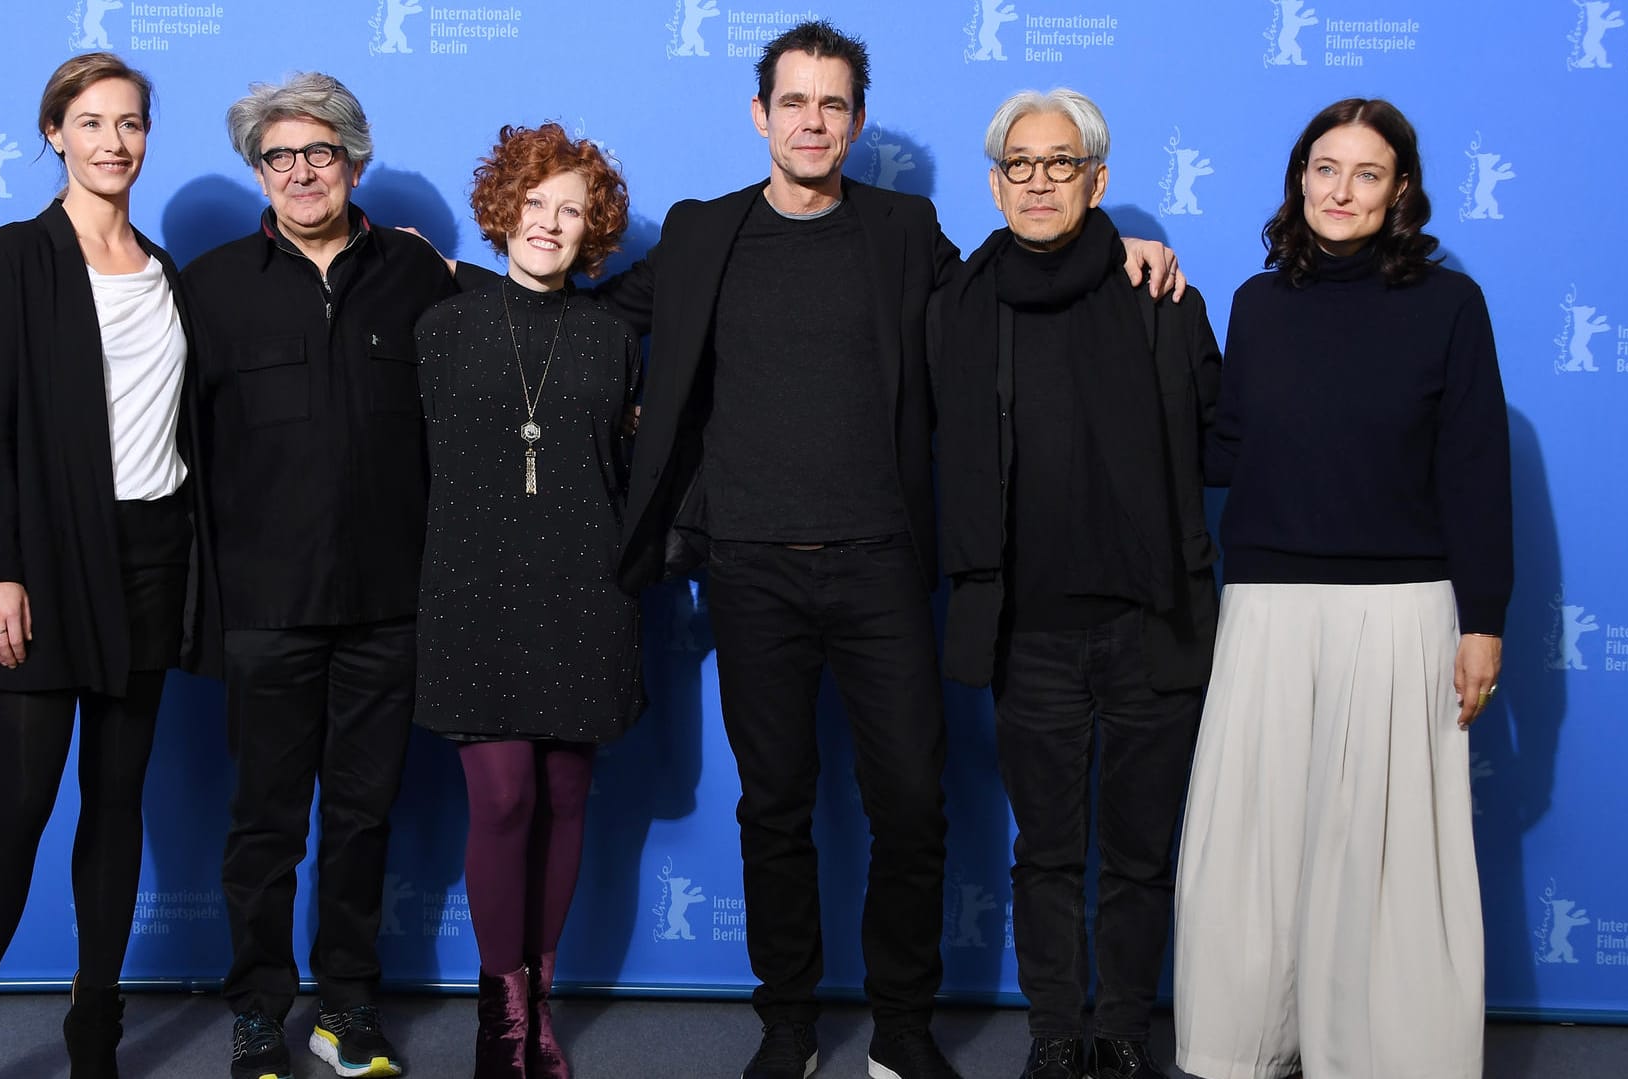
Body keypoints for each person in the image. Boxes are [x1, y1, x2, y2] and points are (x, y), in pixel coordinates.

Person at [589, 20, 1180, 1079]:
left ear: (853, 122)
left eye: (832, 104)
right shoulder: (699, 233)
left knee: (909, 800)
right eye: (793, 101)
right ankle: (786, 1022)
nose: (811, 120)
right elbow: (582, 322)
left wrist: (1120, 248)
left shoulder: (906, 231)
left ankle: (902, 1025)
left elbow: (1009, 289)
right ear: (759, 113)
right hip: (749, 568)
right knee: (772, 805)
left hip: (880, 565)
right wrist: (443, 268)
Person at [1171, 98, 1510, 1079]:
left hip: (1402, 606)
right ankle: (1243, 1044)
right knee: (1255, 842)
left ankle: (1389, 1053)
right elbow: (1222, 444)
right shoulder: (1254, 302)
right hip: (1267, 603)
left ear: (1399, 189)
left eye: (1366, 173)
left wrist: (1480, 620)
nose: (1340, 190)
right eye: (1324, 168)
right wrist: (1130, 338)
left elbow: (1474, 471)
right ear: (1298, 178)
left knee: (1386, 854)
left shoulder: (1449, 305)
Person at [930, 88, 1220, 1079]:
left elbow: (1223, 443)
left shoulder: (1160, 297)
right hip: (1027, 632)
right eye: (1021, 163)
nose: (1040, 180)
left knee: (1138, 855)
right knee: (1044, 853)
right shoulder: (956, 305)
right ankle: (1056, 1032)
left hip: (1148, 623)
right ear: (995, 182)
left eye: (1061, 163)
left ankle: (1123, 1031)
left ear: (1097, 180)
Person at [181, 72, 457, 1079]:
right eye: (279, 156)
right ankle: (259, 1011)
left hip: (388, 606)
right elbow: (177, 454)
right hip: (263, 608)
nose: (301, 171)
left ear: (354, 159)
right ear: (258, 169)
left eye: (321, 151)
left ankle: (347, 1005)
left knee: (362, 816)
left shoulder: (421, 281)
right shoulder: (207, 287)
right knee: (262, 822)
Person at [0, 51, 192, 1079]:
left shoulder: (168, 270)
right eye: (90, 123)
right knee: (21, 799)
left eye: (129, 123)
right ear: (53, 134)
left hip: (150, 556)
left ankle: (94, 1024)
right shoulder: (10, 258)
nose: (113, 142)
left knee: (117, 800)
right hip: (38, 561)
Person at [412, 121, 641, 1079]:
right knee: (502, 797)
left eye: (572, 209)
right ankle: (501, 1018)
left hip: (586, 593)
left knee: (565, 795)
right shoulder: (442, 325)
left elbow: (629, 471)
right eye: (536, 203)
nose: (550, 223)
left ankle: (540, 1003)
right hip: (472, 591)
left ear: (594, 229)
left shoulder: (615, 338)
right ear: (505, 208)